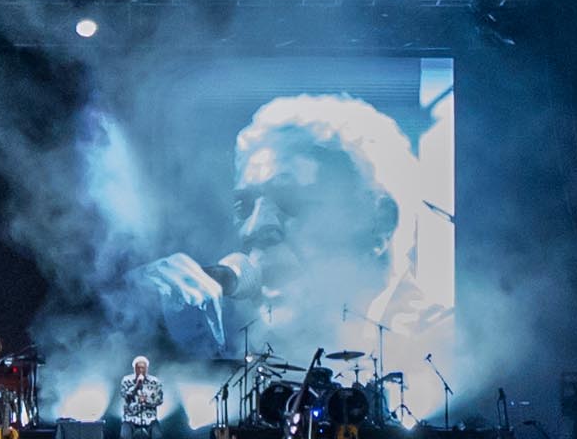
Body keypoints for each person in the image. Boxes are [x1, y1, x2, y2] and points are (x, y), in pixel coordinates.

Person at [131, 96, 454, 372]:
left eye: (291, 199)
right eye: (243, 206)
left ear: (378, 223)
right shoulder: (255, 338)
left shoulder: (441, 342)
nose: (254, 228)